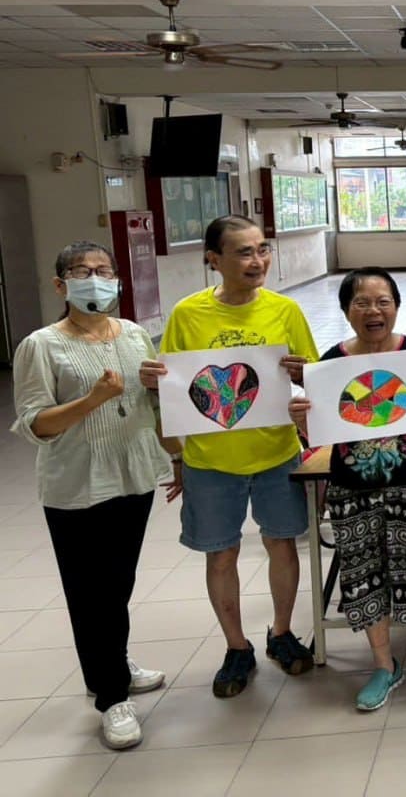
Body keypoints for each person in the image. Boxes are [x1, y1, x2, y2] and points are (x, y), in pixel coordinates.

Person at [140, 215, 320, 699]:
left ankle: (281, 633)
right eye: (243, 252)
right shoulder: (188, 314)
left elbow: (314, 378)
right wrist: (157, 387)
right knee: (221, 554)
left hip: (276, 452)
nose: (257, 260)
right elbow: (174, 386)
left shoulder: (284, 311)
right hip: (210, 459)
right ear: (213, 260)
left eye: (262, 249)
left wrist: (306, 372)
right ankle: (236, 646)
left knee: (282, 544)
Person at [11, 241, 175, 750]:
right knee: (90, 591)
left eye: (105, 271)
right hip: (76, 482)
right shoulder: (42, 344)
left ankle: (110, 659)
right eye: (83, 272)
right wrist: (92, 398)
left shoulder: (132, 334)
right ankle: (111, 696)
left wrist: (159, 392)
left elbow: (150, 401)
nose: (96, 280)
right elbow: (35, 423)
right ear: (61, 285)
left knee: (118, 581)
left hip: (132, 472)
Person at [288, 268, 406, 714]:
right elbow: (320, 435)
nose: (373, 310)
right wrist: (303, 421)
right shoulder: (329, 363)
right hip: (351, 485)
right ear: (346, 310)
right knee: (364, 577)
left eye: (383, 301)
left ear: (397, 307)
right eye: (362, 302)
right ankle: (384, 666)